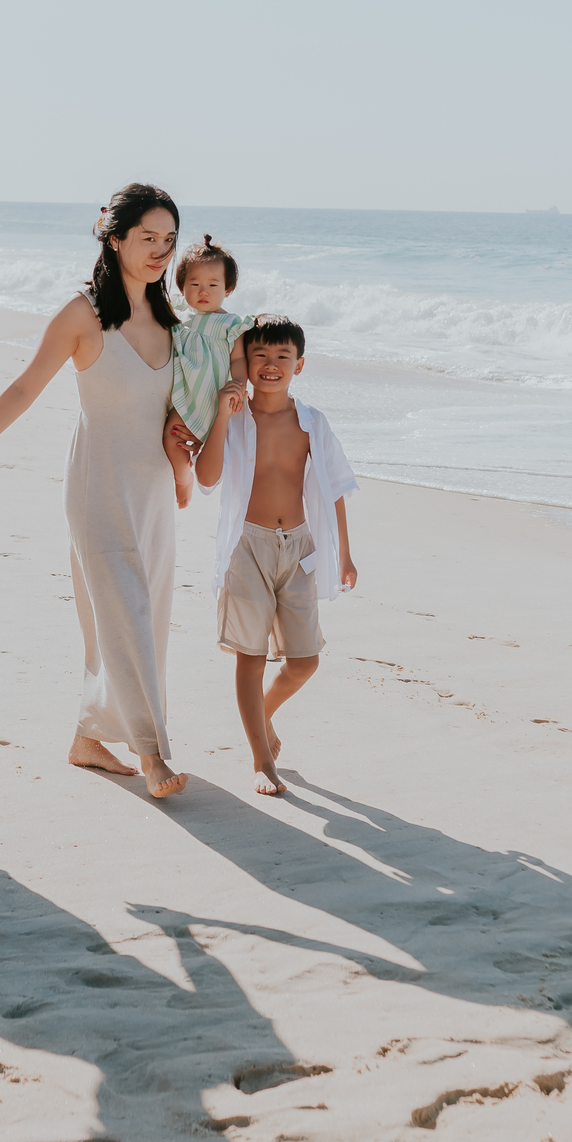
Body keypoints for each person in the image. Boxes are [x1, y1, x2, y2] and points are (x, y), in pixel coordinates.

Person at [0, 183, 188, 801]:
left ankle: (89, 737)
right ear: (115, 239)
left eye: (169, 240)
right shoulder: (83, 315)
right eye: (148, 238)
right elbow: (24, 389)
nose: (161, 251)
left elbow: (187, 410)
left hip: (156, 494)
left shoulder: (171, 320)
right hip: (99, 488)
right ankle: (152, 753)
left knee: (147, 620)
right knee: (125, 618)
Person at [194, 317, 358, 797]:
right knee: (251, 654)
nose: (270, 366)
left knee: (305, 661)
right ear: (246, 363)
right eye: (260, 356)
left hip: (300, 548)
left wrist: (345, 554)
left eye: (282, 357)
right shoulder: (235, 418)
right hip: (246, 546)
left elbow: (335, 489)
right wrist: (223, 415)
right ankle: (262, 760)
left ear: (299, 366)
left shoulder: (312, 422)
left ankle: (261, 717)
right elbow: (206, 478)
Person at [162, 234, 253, 508]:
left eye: (213, 284)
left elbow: (238, 360)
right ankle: (182, 478)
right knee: (171, 437)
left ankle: (201, 478)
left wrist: (238, 383)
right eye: (195, 284)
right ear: (182, 288)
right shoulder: (179, 315)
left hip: (211, 394)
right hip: (185, 390)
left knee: (212, 448)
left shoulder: (230, 324)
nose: (203, 291)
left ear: (227, 289)